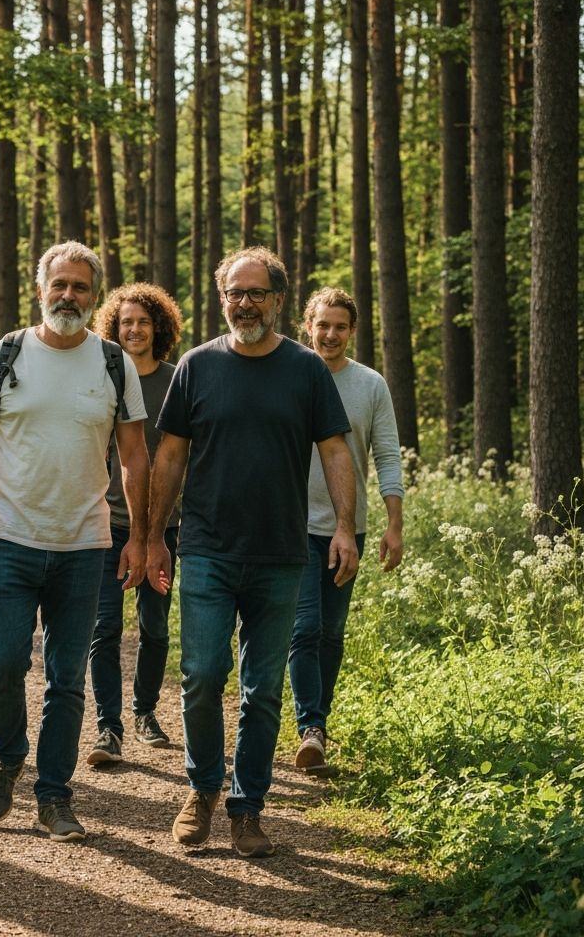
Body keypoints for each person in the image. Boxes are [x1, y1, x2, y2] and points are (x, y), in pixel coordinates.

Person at [146, 247, 358, 859]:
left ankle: (247, 807)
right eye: (234, 294)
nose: (244, 303)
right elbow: (169, 456)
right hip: (208, 548)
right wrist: (154, 534)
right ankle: (203, 788)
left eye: (255, 293)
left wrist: (344, 527)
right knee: (203, 675)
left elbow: (337, 451)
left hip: (282, 554)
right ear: (223, 300)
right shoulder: (195, 366)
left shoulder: (306, 371)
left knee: (263, 689)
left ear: (278, 300)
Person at [0, 241, 150, 844]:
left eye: (80, 287)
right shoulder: (5, 355)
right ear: (41, 290)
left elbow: (134, 456)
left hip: (84, 544)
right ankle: (7, 758)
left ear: (95, 295)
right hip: (8, 536)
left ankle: (55, 795)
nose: (68, 296)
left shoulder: (115, 364)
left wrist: (139, 536)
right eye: (59, 285)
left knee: (66, 676)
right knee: (3, 662)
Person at [289, 287, 404, 773]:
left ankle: (319, 723)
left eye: (340, 326)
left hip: (346, 528)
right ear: (308, 327)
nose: (330, 334)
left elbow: (388, 455)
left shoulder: (371, 385)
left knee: (332, 632)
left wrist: (393, 523)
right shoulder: (289, 373)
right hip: (292, 525)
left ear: (352, 331)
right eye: (322, 325)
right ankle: (309, 726)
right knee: (306, 627)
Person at [86, 283, 184, 766]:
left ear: (158, 327)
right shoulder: (101, 378)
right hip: (106, 524)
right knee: (103, 627)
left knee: (154, 626)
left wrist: (160, 530)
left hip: (165, 528)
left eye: (143, 321)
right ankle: (108, 726)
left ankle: (145, 711)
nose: (134, 329)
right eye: (126, 322)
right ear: (113, 327)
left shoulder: (176, 380)